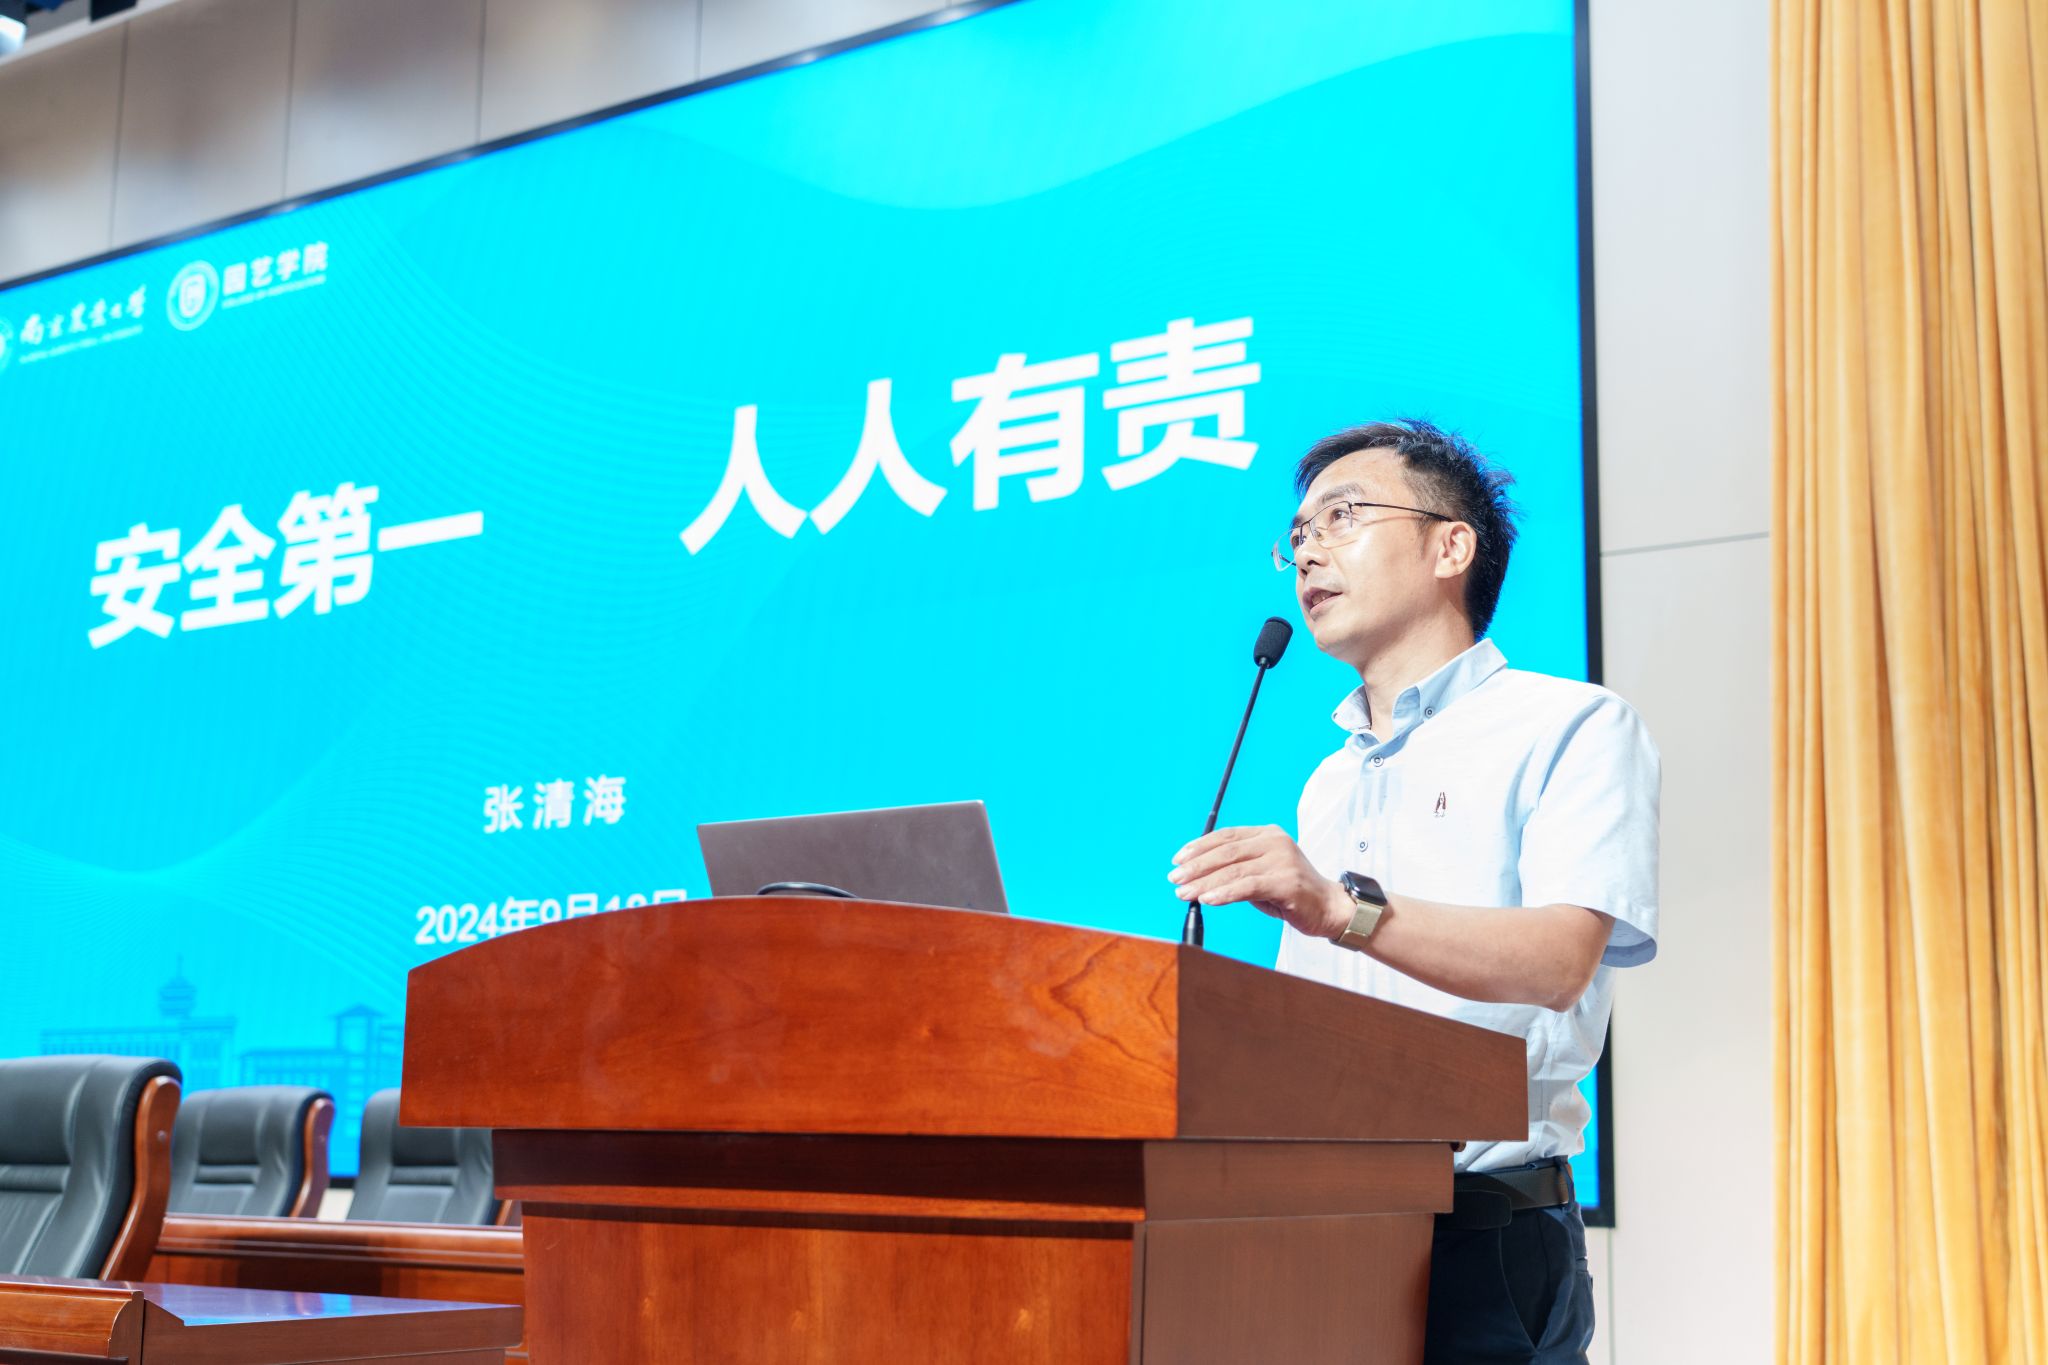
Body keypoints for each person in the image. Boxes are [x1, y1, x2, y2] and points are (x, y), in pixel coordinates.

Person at [1168, 419, 1659, 1365]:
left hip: (1487, 1233)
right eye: (1298, 534)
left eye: (1342, 516)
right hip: (1321, 1226)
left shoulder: (1571, 726)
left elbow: (1561, 960)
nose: (1308, 551)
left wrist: (1340, 908)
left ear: (1451, 547)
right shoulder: (1329, 782)